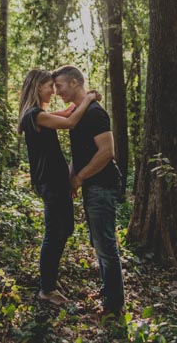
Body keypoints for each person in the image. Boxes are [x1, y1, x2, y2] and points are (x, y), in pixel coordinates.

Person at [17, 68, 100, 306]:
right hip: (50, 182)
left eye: (55, 86)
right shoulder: (35, 115)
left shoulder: (39, 113)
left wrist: (86, 97)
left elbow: (66, 112)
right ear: (37, 87)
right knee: (55, 233)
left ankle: (49, 278)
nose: (53, 91)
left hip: (57, 181)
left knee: (65, 229)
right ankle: (47, 289)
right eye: (49, 86)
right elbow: (71, 121)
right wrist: (88, 100)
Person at [51, 65, 124, 317]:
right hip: (92, 185)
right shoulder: (80, 113)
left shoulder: (94, 113)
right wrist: (73, 175)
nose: (56, 90)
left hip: (102, 185)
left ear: (73, 82)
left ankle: (114, 306)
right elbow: (82, 153)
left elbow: (106, 152)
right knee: (99, 242)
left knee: (106, 245)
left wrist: (80, 177)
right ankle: (108, 293)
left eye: (59, 85)